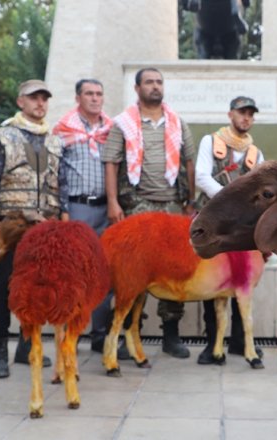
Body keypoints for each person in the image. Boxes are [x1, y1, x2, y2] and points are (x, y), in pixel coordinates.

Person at [102, 67, 197, 359]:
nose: (155, 87)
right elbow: (111, 163)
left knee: (174, 269)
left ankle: (171, 335)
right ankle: (129, 334)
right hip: (137, 205)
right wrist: (113, 203)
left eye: (159, 82)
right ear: (137, 88)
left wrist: (190, 201)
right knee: (133, 271)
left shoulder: (178, 122)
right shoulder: (123, 124)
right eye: (149, 82)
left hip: (172, 206)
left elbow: (190, 161)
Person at [0, 79, 61, 378]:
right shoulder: (3, 135)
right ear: (21, 102)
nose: (40, 103)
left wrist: (62, 220)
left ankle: (27, 345)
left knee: (37, 286)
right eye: (33, 98)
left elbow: (60, 183)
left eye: (44, 98)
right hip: (12, 223)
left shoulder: (54, 139)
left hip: (45, 225)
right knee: (4, 286)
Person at [51, 78, 126, 357]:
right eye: (89, 94)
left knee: (103, 271)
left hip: (106, 208)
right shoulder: (63, 129)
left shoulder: (112, 129)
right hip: (77, 208)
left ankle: (99, 335)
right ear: (78, 98)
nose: (95, 98)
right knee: (76, 271)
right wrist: (63, 210)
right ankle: (72, 332)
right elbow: (55, 172)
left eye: (99, 93)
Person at [194, 96, 264, 365]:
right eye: (241, 112)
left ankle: (239, 343)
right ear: (230, 114)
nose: (246, 118)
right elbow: (201, 176)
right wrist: (230, 200)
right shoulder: (210, 142)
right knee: (211, 279)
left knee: (243, 280)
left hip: (243, 228)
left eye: (250, 114)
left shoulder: (256, 153)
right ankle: (212, 343)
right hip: (213, 222)